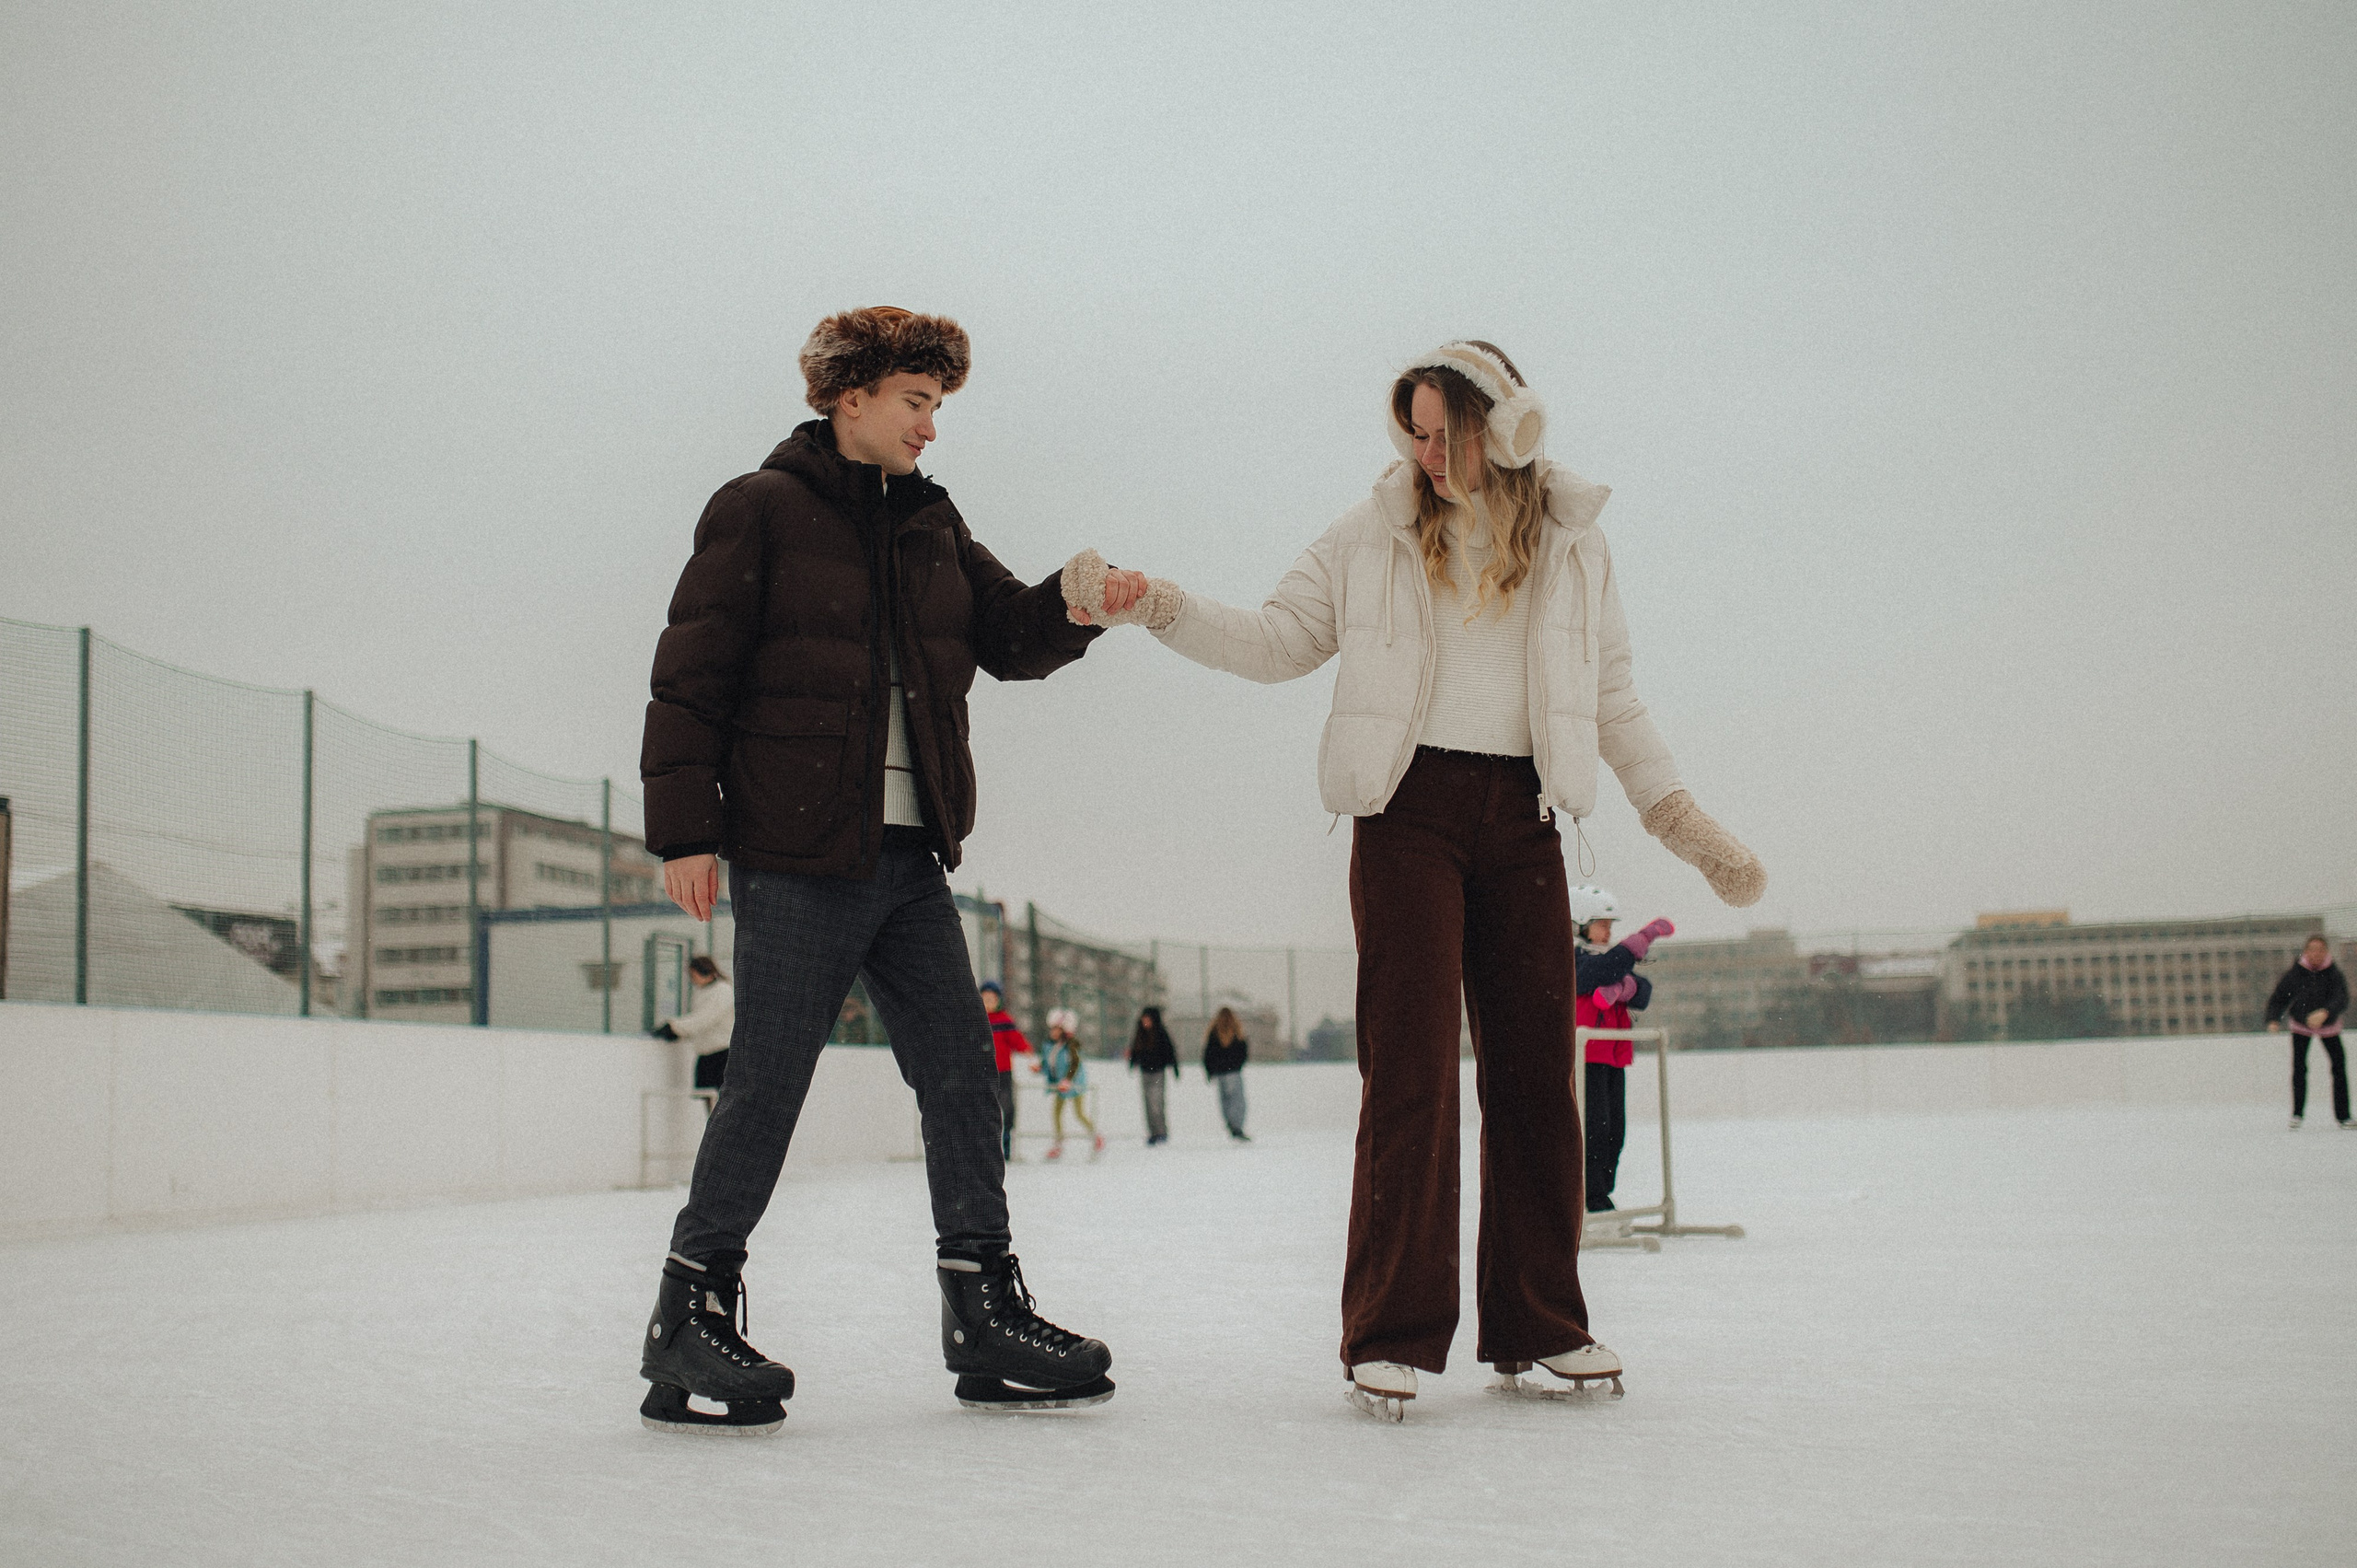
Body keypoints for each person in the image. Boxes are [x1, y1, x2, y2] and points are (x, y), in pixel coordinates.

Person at [1064, 340, 1765, 1419]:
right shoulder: (1370, 532)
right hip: (1406, 815)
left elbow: (1612, 699)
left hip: (1525, 817)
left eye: (1448, 432)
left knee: (1535, 1073)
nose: (1429, 455)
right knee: (1411, 1070)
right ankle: (1389, 1332)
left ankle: (1540, 1319)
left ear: (1506, 425)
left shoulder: (1575, 542)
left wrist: (1683, 821)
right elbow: (1274, 640)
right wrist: (1155, 602)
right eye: (1416, 433)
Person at [633, 307, 1147, 1431]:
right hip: (798, 853)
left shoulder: (931, 522)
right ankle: (690, 1309)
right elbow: (691, 673)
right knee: (767, 1079)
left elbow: (1004, 636)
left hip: (910, 858)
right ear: (850, 396)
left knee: (962, 1076)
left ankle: (983, 1308)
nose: (930, 425)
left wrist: (1074, 603)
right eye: (916, 401)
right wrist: (684, 831)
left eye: (937, 404)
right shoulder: (759, 507)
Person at [1569, 888, 1672, 1214]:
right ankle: (1591, 1199)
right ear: (1580, 924)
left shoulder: (1606, 960)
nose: (1608, 931)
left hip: (1612, 1057)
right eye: (1602, 924)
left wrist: (1625, 987)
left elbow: (1644, 992)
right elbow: (1598, 973)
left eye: (1610, 926)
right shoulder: (1572, 958)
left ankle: (1602, 1194)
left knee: (1615, 1132)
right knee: (1594, 1131)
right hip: (1585, 1059)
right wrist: (1639, 941)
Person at [2267, 935, 2350, 1130]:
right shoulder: (2295, 973)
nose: (2316, 954)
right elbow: (2279, 997)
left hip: (2329, 1025)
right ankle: (2297, 1114)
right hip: (2300, 1025)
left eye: (2320, 950)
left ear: (2326, 952)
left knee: (2339, 1067)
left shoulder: (2334, 973)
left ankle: (2344, 1116)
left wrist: (2326, 1012)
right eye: (2312, 949)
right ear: (2305, 951)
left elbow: (2342, 997)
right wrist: (2273, 1019)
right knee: (2299, 1068)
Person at [651, 955, 735, 1093]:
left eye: (693, 975)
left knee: (718, 1097)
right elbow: (698, 1022)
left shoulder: (722, 990)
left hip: (721, 1056)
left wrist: (674, 1027)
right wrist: (680, 1032)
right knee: (705, 1096)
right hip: (706, 1055)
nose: (692, 979)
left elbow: (704, 1019)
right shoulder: (704, 992)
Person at [979, 981, 1034, 1159]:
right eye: (984, 999)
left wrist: (1028, 1052)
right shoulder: (977, 1020)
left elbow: (1016, 1039)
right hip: (982, 1073)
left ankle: (1007, 1141)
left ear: (998, 1001)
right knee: (985, 1109)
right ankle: (986, 1145)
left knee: (1007, 1108)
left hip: (1003, 1072)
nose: (988, 1003)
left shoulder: (1004, 1020)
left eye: (991, 999)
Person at [1039, 1008, 1103, 1160]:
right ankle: (1058, 1144)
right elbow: (1048, 1063)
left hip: (1075, 1084)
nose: (1053, 1032)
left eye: (1057, 1029)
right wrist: (1039, 1067)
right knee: (1057, 1112)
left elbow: (1075, 1063)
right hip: (1060, 1085)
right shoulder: (1049, 1046)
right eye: (1052, 1029)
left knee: (1079, 1113)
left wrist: (1068, 1080)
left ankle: (1096, 1136)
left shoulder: (1071, 1045)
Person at [1127, 1005, 1181, 1144]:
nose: (1145, 1022)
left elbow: (1170, 1051)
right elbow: (1135, 1050)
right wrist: (1133, 1063)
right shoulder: (1140, 1034)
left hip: (1158, 1072)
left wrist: (1174, 1068)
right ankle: (1153, 1132)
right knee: (1148, 1104)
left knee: (1156, 1103)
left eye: (1147, 1019)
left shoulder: (1161, 1034)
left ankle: (1161, 1132)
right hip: (1145, 1072)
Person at [1202, 1007, 1251, 1142]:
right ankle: (1237, 1126)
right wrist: (1237, 1064)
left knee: (1225, 1100)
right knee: (1237, 1100)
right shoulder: (1237, 1032)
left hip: (1220, 1073)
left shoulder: (1213, 1033)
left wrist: (1210, 1070)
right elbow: (1243, 1052)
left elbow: (1208, 1054)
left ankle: (1230, 1122)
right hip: (1233, 1072)